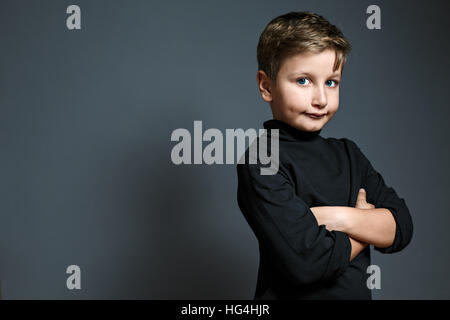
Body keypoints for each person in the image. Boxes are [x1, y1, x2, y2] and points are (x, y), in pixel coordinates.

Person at [236, 11, 413, 300]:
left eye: (331, 82)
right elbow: (308, 264)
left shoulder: (349, 154)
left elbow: (402, 225)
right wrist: (365, 223)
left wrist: (338, 218)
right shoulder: (262, 160)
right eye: (304, 81)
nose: (321, 99)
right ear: (267, 86)